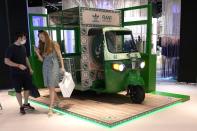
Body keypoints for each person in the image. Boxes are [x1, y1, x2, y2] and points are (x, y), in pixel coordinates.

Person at [34, 30, 65, 117]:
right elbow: (42, 60)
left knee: (51, 88)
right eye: (39, 37)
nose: (41, 39)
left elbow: (60, 55)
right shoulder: (42, 46)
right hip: (45, 67)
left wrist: (62, 67)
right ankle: (58, 102)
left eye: (42, 37)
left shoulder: (54, 43)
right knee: (50, 87)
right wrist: (37, 52)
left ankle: (51, 108)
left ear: (46, 36)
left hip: (53, 67)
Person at [4, 32, 35, 115]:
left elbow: (26, 58)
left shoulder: (23, 47)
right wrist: (18, 65)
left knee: (27, 88)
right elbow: (6, 61)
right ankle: (21, 107)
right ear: (19, 38)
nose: (25, 39)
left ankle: (26, 104)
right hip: (16, 74)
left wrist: (30, 68)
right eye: (24, 38)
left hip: (25, 72)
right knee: (18, 91)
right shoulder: (11, 48)